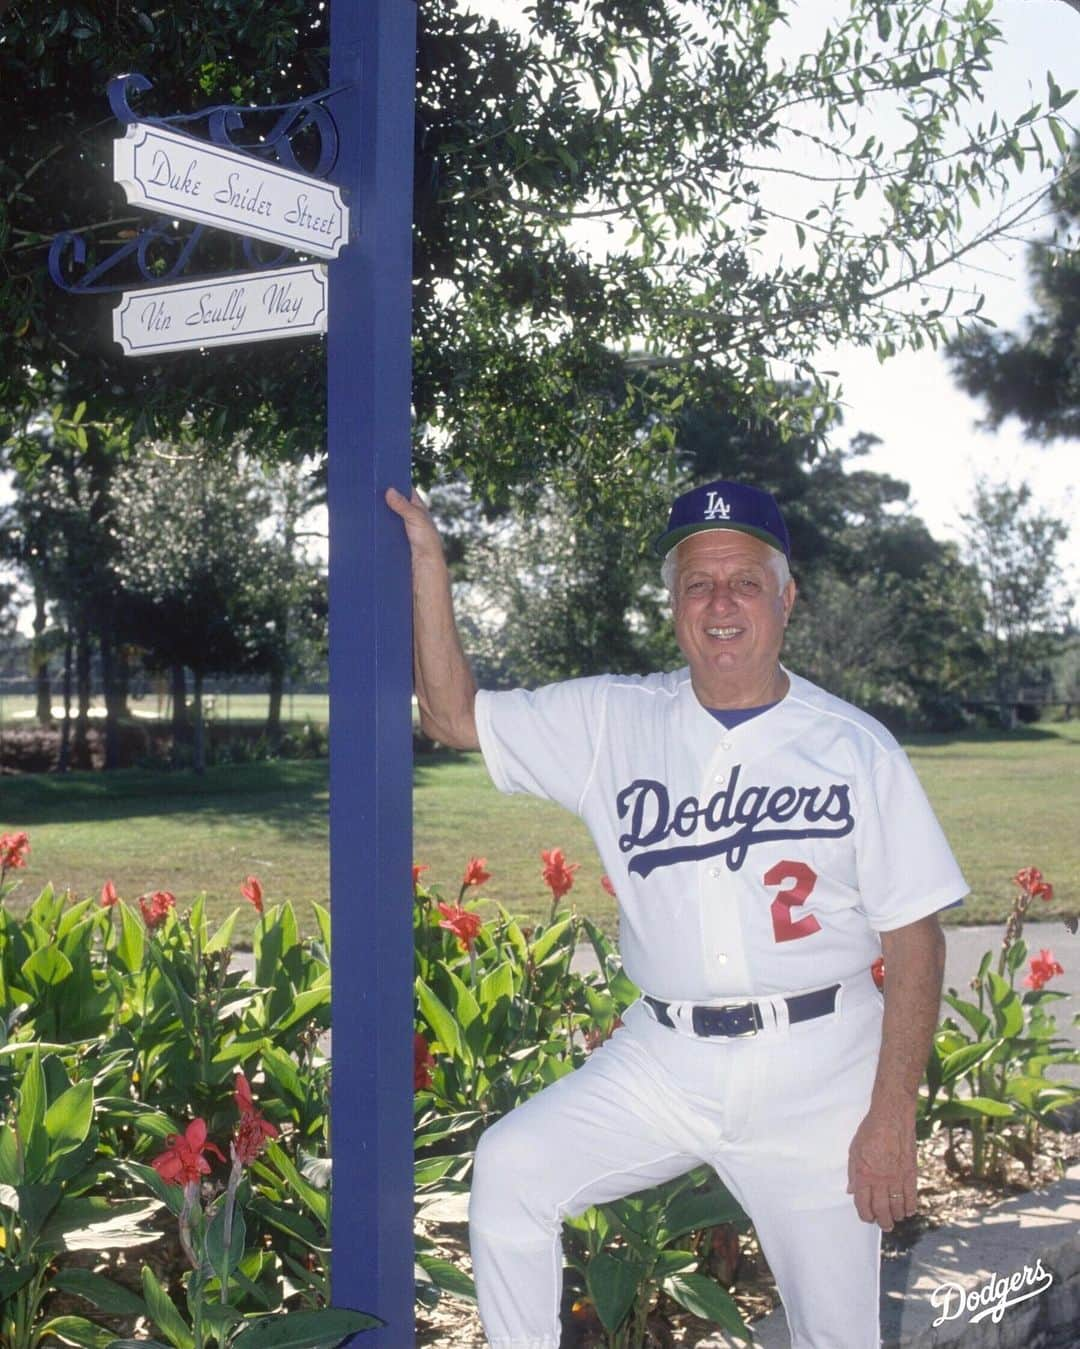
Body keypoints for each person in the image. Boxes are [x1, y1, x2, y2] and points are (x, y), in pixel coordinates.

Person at [386, 477, 965, 1349]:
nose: (721, 602)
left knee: (837, 1336)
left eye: (745, 580)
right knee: (511, 1171)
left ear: (786, 598)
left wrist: (891, 1117)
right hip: (663, 1060)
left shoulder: (852, 746)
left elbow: (915, 940)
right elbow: (453, 716)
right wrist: (430, 562)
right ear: (673, 604)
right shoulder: (616, 720)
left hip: (820, 1074)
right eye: (699, 582)